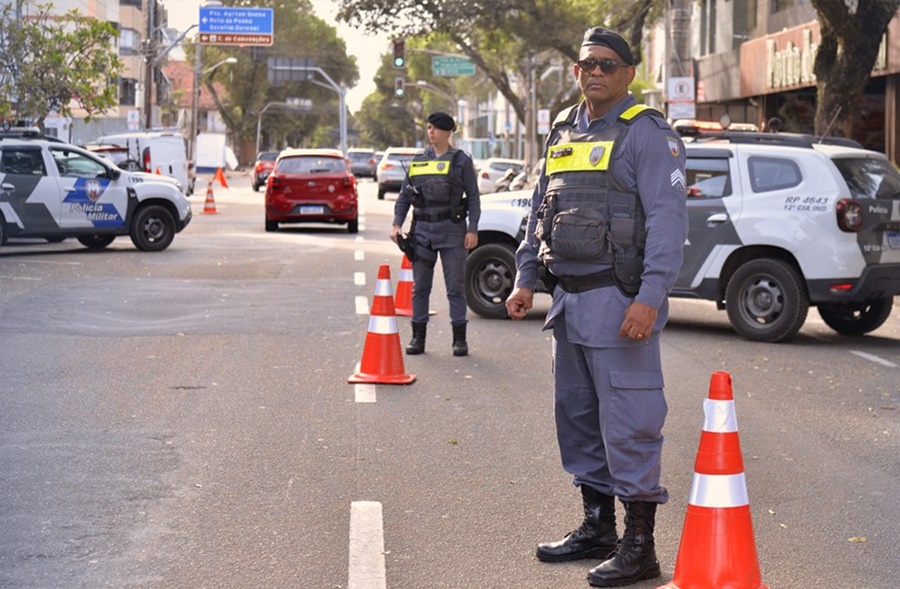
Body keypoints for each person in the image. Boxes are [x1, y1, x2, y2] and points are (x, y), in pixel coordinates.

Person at [505, 27, 688, 587]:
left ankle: (641, 547)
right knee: (579, 420)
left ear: (629, 73)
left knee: (630, 424)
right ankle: (597, 526)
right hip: (568, 302)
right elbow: (540, 209)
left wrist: (650, 298)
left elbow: (667, 223)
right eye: (587, 64)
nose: (595, 72)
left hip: (619, 300)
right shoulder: (562, 130)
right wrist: (525, 277)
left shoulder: (647, 134)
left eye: (608, 64)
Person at [390, 112, 480, 356]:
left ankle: (459, 340)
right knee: (420, 288)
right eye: (429, 128)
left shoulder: (461, 161)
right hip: (422, 232)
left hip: (452, 230)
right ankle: (418, 338)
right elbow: (404, 197)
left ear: (448, 132)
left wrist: (473, 229)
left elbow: (473, 197)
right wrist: (397, 224)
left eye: (435, 128)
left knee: (455, 287)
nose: (431, 132)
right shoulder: (418, 161)